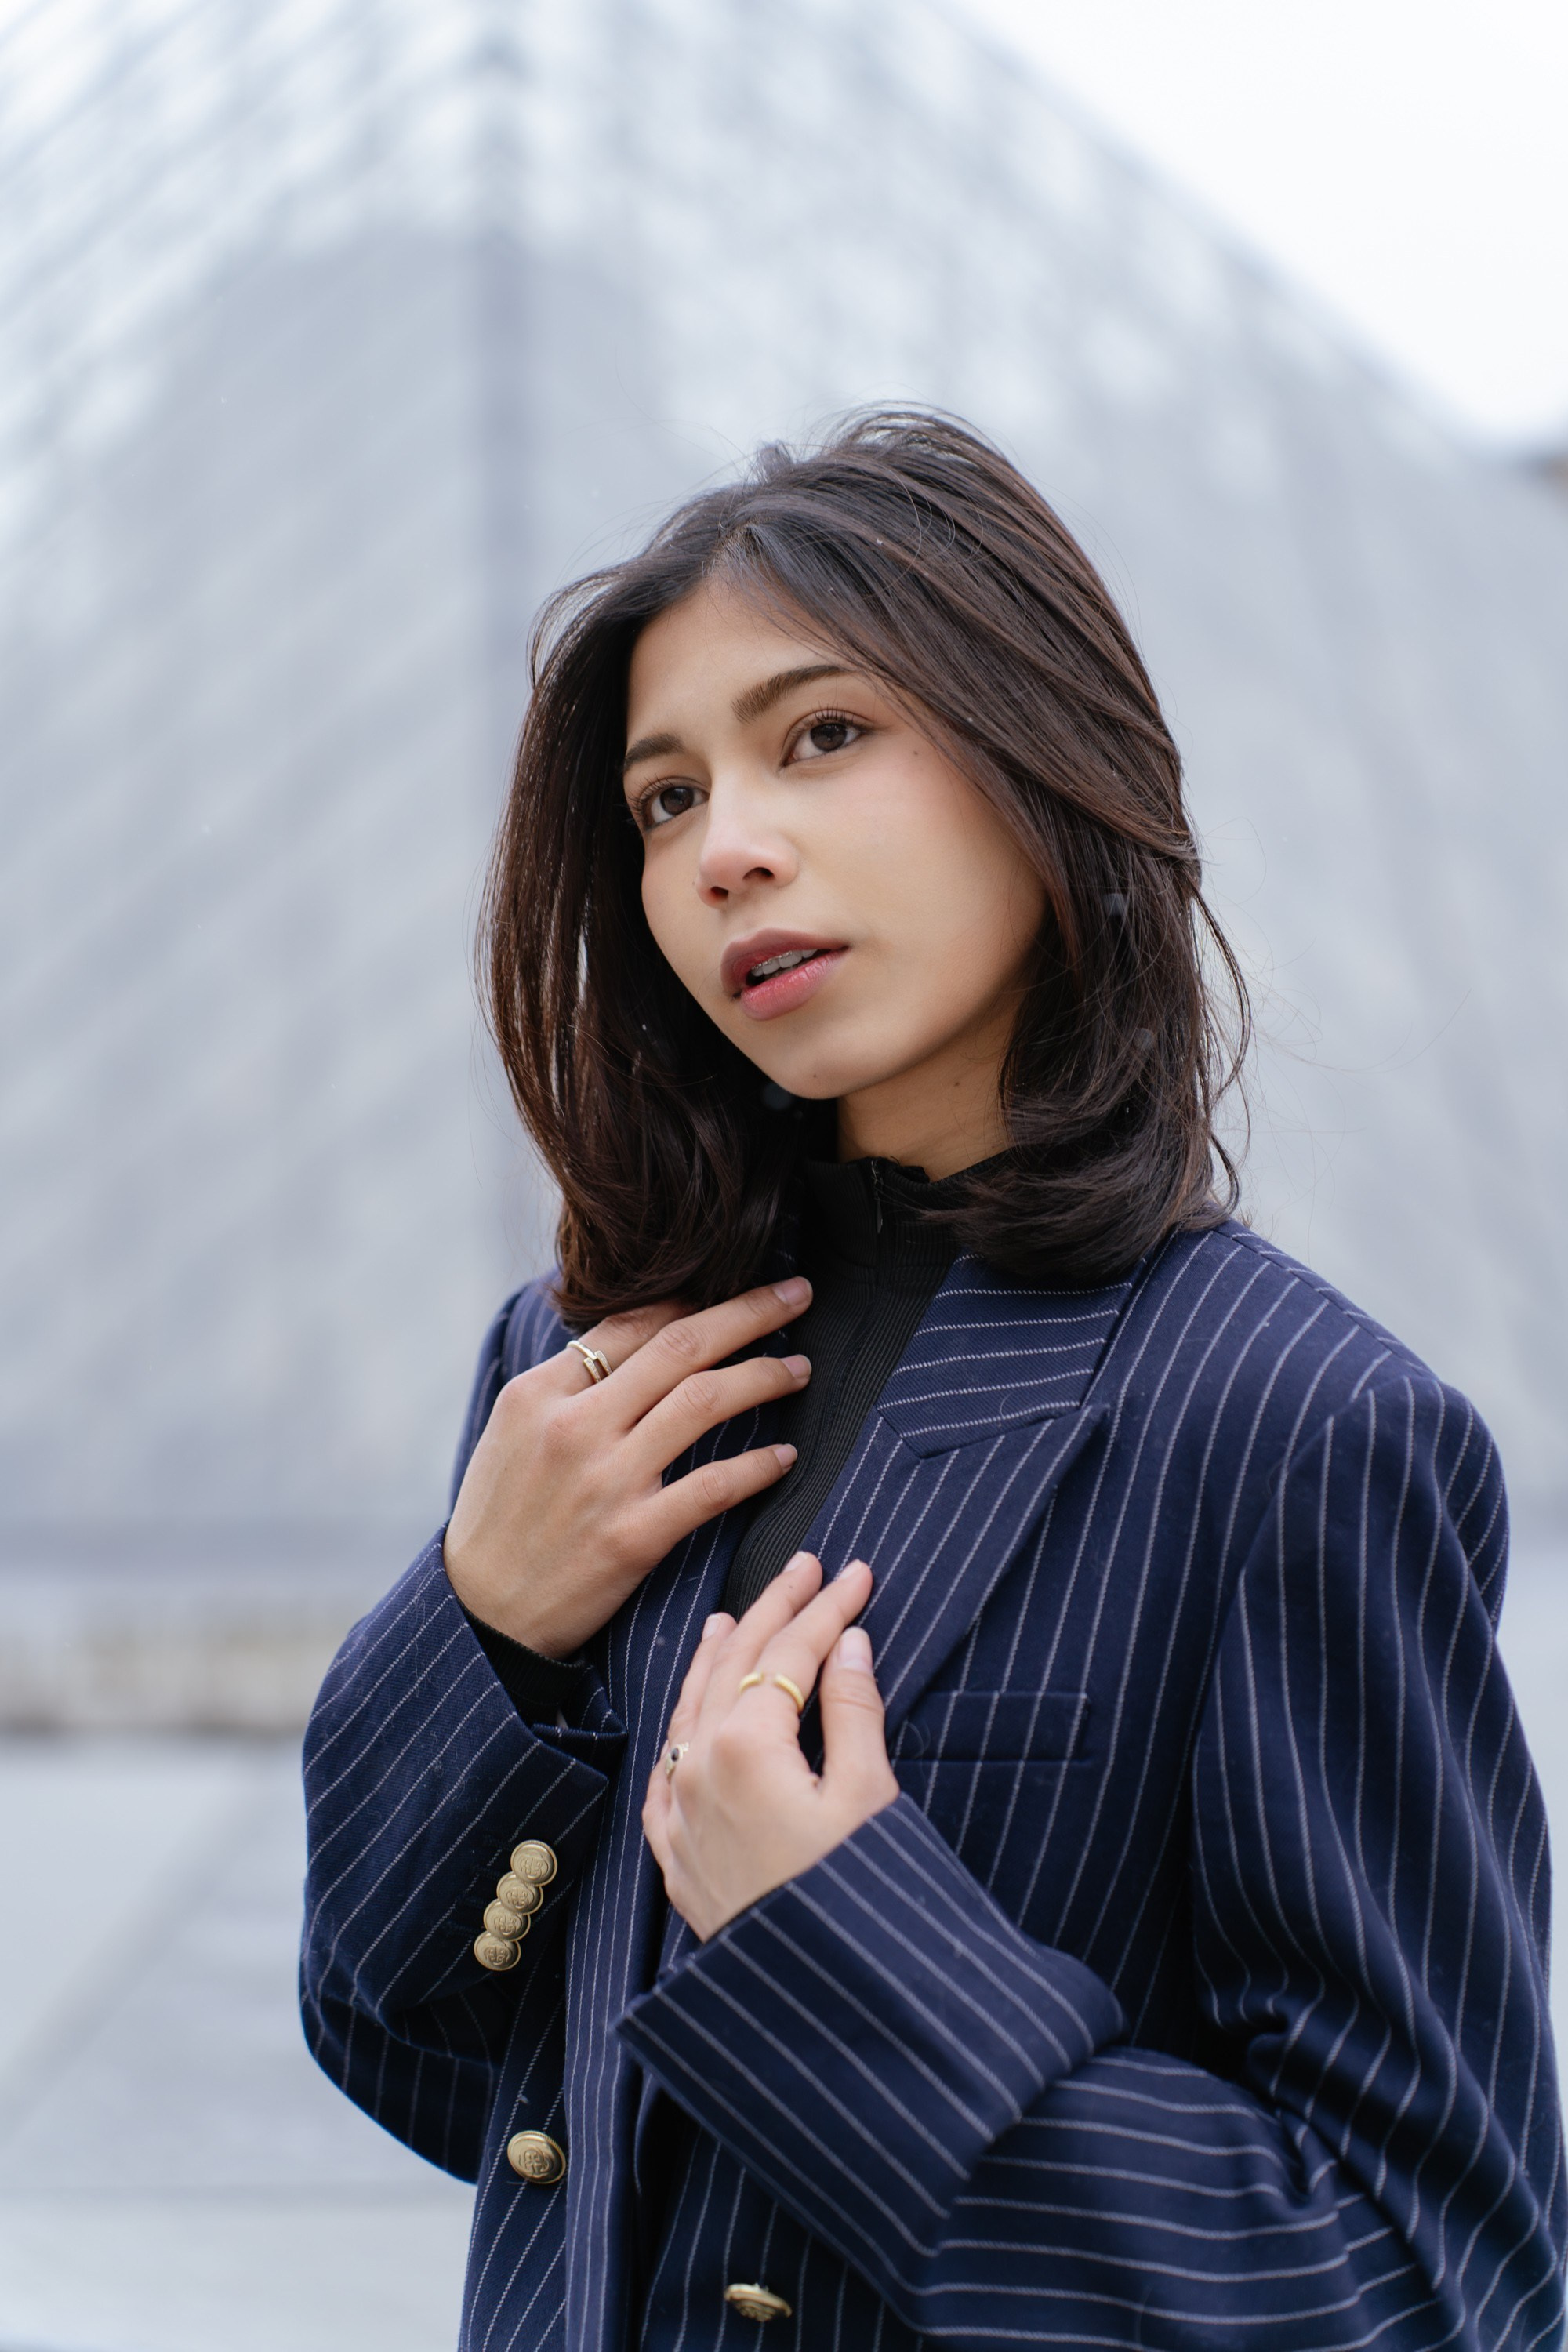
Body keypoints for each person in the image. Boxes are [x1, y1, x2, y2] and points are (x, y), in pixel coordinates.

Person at [300, 412, 1563, 2349]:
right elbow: (413, 2063)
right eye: (659, 799)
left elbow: (1423, 2280)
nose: (728, 847)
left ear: (1043, 759)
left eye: (822, 735)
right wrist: (478, 1633)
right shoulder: (578, 1373)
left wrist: (842, 1946)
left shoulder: (1288, 1422)